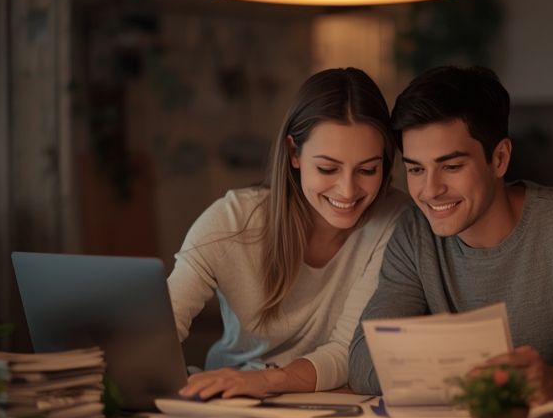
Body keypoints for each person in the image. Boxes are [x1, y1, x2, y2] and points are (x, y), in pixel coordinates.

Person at [347, 65, 553, 413]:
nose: (430, 190)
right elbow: (364, 361)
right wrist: (480, 379)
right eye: (415, 169)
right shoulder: (414, 236)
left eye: (452, 166)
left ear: (500, 158)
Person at [169, 67, 408, 400]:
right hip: (227, 399)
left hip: (329, 403)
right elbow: (162, 327)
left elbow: (347, 350)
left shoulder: (395, 221)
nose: (348, 190)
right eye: (328, 168)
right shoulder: (232, 220)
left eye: (368, 169)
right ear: (294, 153)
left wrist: (267, 382)